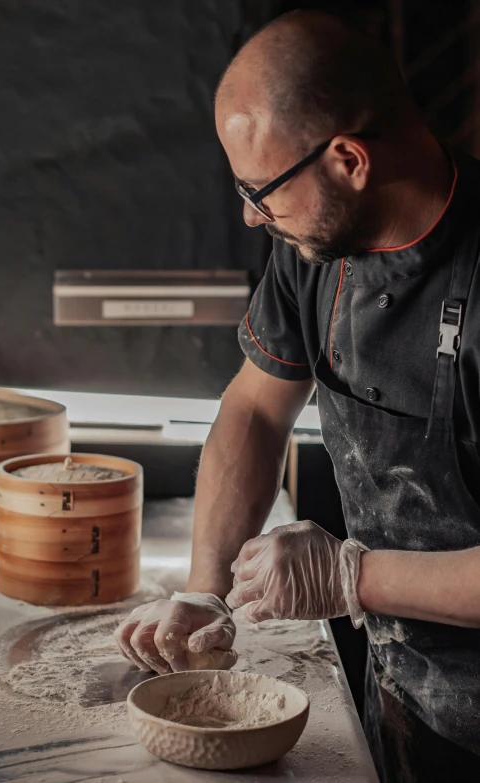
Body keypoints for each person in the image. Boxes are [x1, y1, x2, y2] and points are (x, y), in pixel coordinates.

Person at [115, 11, 480, 781]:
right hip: (405, 693)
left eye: (262, 188)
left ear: (349, 158)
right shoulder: (318, 245)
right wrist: (206, 591)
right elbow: (254, 408)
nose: (251, 213)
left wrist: (351, 579)